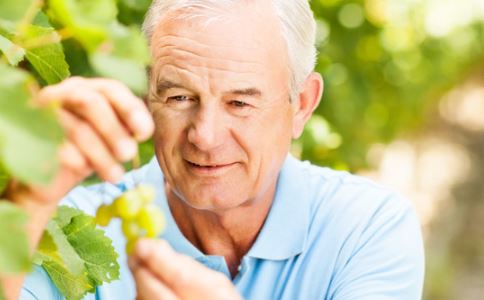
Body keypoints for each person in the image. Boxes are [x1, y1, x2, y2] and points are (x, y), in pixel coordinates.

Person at [1, 0, 425, 299]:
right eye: (180, 98)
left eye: (240, 103)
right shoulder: (70, 224)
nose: (204, 135)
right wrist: (27, 200)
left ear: (302, 104)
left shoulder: (365, 228)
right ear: (149, 94)